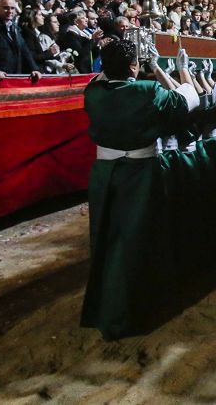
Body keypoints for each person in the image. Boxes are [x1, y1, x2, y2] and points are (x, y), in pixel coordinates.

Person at [80, 42, 202, 340]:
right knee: (135, 240)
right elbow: (190, 100)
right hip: (138, 174)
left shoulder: (92, 92)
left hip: (104, 174)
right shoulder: (147, 91)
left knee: (106, 237)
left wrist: (121, 60)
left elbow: (100, 79)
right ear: (135, 66)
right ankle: (130, 310)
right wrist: (180, 68)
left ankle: (102, 305)